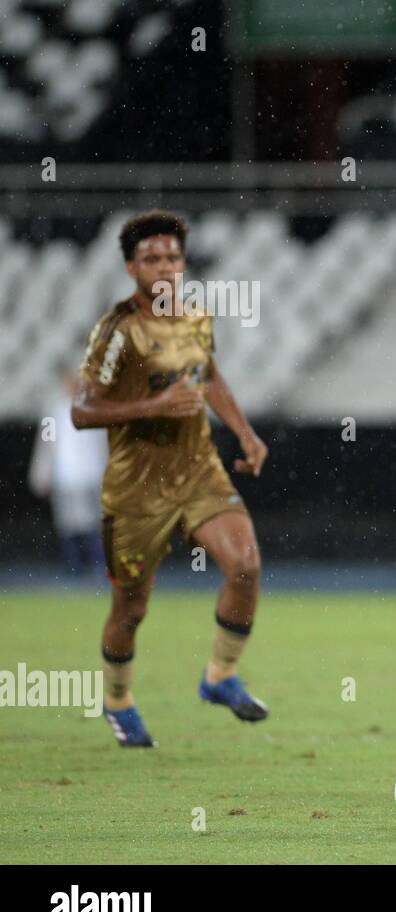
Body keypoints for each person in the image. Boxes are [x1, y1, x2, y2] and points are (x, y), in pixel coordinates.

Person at [73, 209, 270, 748]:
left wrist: (245, 433)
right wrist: (155, 402)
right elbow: (82, 411)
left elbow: (210, 377)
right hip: (137, 489)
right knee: (131, 609)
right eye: (151, 258)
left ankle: (219, 676)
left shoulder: (196, 318)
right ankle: (117, 700)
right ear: (131, 267)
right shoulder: (117, 331)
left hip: (198, 471)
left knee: (245, 565)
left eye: (172, 257)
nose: (164, 266)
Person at [29, 373, 109, 576]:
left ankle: (99, 567)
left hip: (92, 475)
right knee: (68, 525)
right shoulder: (55, 412)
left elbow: (105, 445)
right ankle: (74, 567)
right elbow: (46, 446)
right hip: (66, 476)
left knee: (96, 524)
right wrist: (41, 474)